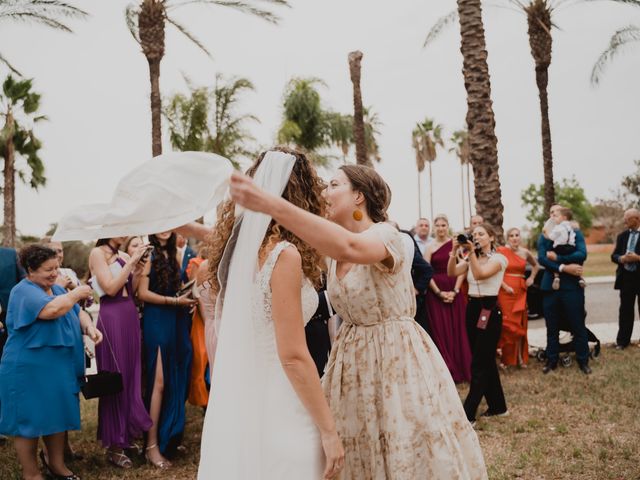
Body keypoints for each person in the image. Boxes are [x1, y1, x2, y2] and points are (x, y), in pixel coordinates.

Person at [230, 161, 487, 479]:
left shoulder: (385, 235)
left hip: (396, 359)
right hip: (351, 361)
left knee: (402, 442)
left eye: (335, 185)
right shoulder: (328, 251)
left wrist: (272, 204)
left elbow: (351, 246)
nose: (326, 192)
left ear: (358, 197)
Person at [199, 148, 344, 480]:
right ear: (300, 196)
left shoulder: (242, 254)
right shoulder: (284, 255)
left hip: (247, 391)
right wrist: (328, 429)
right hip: (283, 398)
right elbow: (292, 355)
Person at [0, 244, 101, 480]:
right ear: (30, 270)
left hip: (57, 365)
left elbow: (77, 312)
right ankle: (31, 473)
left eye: (56, 267)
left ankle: (56, 465)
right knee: (30, 420)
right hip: (28, 367)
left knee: (57, 414)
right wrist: (76, 292)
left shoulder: (55, 289)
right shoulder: (22, 290)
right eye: (49, 269)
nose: (55, 273)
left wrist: (89, 327)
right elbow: (52, 310)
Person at [88, 237, 153, 468]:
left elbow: (131, 290)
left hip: (129, 316)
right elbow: (110, 288)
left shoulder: (124, 255)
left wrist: (139, 267)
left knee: (131, 376)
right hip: (112, 317)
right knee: (116, 379)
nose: (125, 234)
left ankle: (125, 435)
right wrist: (130, 261)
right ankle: (114, 444)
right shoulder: (98, 253)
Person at [137, 232, 197, 468]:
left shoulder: (173, 254)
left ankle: (168, 435)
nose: (165, 229)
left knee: (175, 377)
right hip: (157, 320)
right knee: (159, 382)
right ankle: (150, 446)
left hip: (176, 319)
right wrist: (174, 302)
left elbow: (174, 287)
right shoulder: (149, 254)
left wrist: (187, 294)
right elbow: (142, 293)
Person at [447, 224, 508, 423]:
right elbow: (452, 273)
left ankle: (468, 414)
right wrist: (454, 251)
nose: (477, 237)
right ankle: (498, 407)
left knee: (479, 363)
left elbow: (481, 274)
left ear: (491, 237)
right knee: (485, 358)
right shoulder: (469, 258)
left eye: (481, 234)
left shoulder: (499, 259)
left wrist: (471, 252)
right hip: (472, 308)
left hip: (489, 309)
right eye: (474, 235)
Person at [537, 205, 591, 375]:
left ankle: (583, 360)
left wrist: (559, 258)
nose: (552, 215)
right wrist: (563, 267)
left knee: (577, 324)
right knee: (551, 326)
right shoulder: (545, 235)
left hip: (572, 287)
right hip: (550, 286)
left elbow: (582, 254)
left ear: (565, 216)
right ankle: (551, 360)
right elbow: (542, 258)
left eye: (556, 212)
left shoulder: (575, 233)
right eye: (550, 212)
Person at [424, 214, 472, 383]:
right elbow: (427, 272)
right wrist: (438, 292)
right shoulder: (429, 248)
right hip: (436, 293)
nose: (441, 228)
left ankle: (461, 367)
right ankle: (446, 370)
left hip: (454, 291)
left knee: (457, 329)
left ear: (448, 226)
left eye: (444, 225)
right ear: (434, 227)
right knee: (440, 330)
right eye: (438, 225)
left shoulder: (456, 246)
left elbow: (464, 268)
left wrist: (455, 290)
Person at [497, 228, 540, 369]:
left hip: (520, 290)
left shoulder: (525, 252)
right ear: (507, 238)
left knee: (520, 323)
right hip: (505, 291)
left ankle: (521, 358)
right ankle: (505, 359)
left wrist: (532, 278)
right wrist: (503, 286)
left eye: (517, 235)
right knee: (507, 324)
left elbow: (536, 266)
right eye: (511, 236)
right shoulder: (501, 251)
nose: (515, 238)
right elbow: (495, 272)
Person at [611, 208, 640, 349]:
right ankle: (622, 342)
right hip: (626, 278)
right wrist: (621, 258)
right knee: (625, 311)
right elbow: (614, 255)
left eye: (627, 219)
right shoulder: (622, 236)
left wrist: (637, 258)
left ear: (636, 219)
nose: (624, 221)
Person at [547, 208, 586, 289]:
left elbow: (551, 237)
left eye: (557, 216)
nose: (554, 218)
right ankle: (580, 277)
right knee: (577, 259)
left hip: (560, 247)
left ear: (564, 217)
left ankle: (556, 276)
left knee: (552, 255)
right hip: (571, 247)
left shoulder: (558, 227)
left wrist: (546, 233)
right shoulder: (572, 226)